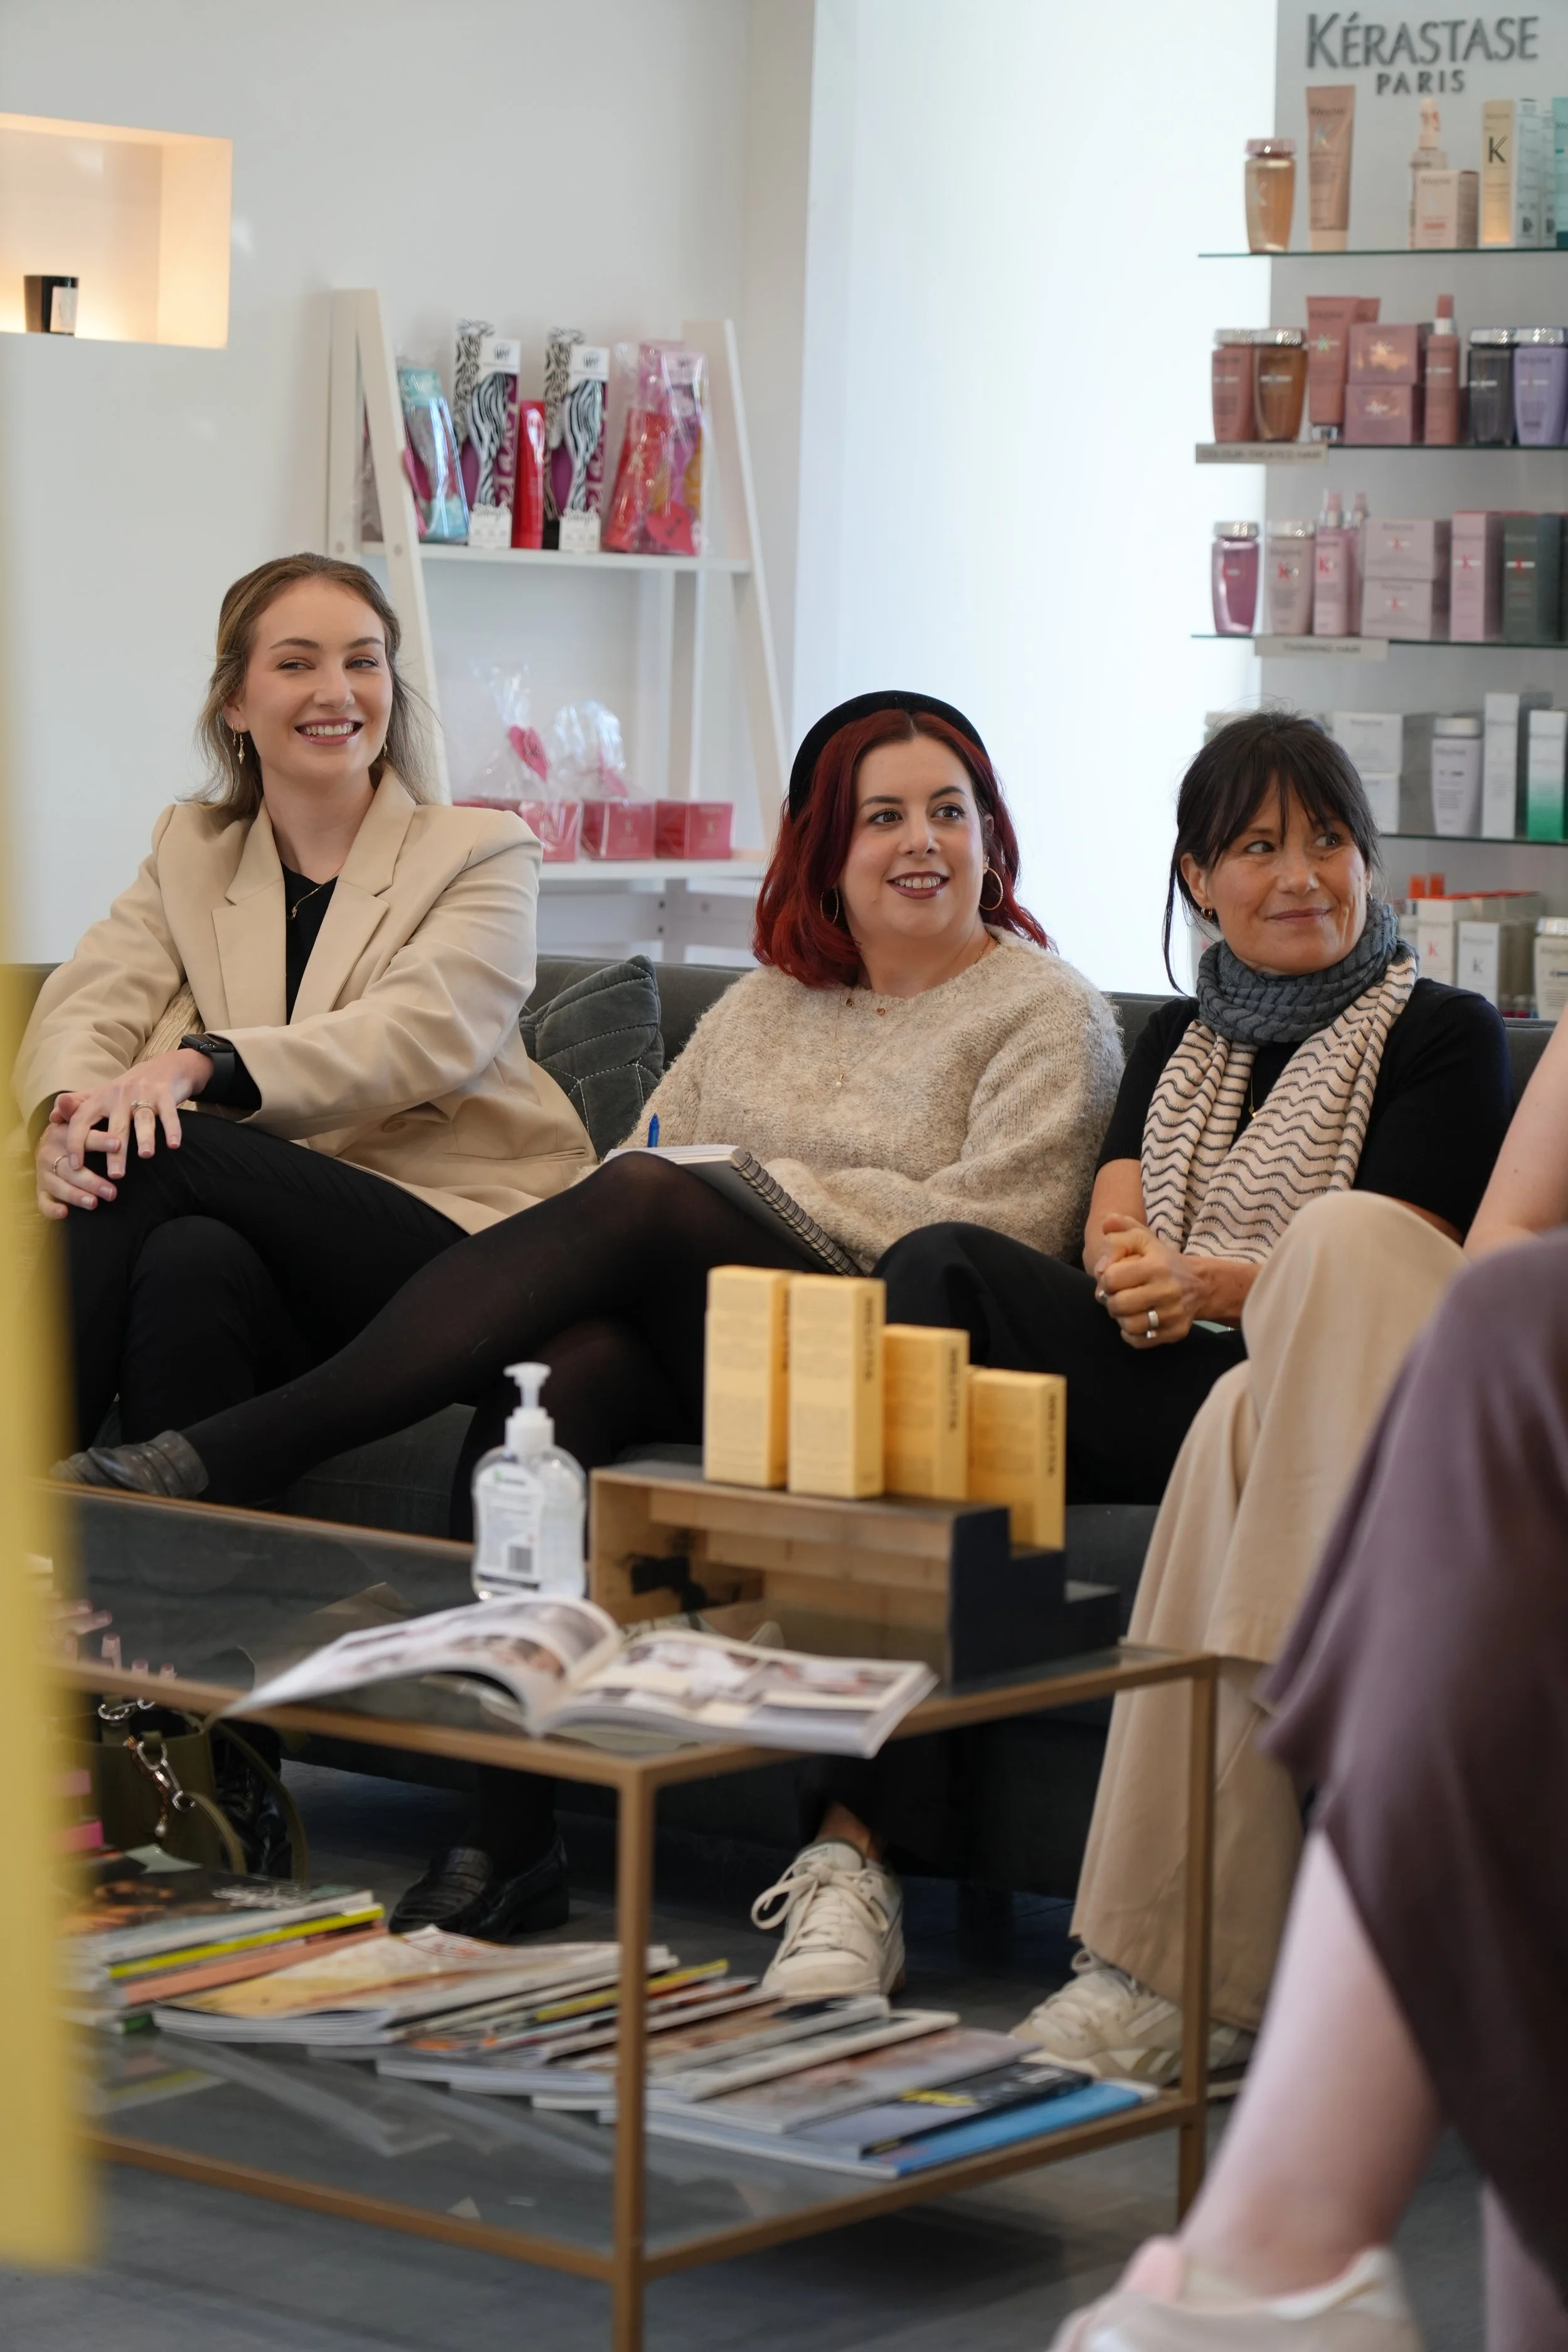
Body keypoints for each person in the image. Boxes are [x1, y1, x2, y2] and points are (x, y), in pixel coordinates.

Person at [66, 688, 1124, 1941]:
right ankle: (507, 1842)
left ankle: (230, 1453)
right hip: (712, 1352)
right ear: (823, 851)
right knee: (556, 1388)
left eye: (948, 812)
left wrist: (753, 1188)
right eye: (881, 816)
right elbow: (647, 1156)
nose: (920, 843)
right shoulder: (762, 1006)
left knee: (640, 1200)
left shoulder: (1046, 1010)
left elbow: (995, 1234)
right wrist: (701, 1187)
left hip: (874, 1358)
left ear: (991, 837)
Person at [807, 711, 1510, 2035]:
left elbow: (1389, 1262)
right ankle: (860, 1842)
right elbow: (1111, 1222)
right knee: (935, 1271)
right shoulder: (1175, 1040)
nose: (1299, 874)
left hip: (1308, 1388)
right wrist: (1139, 1276)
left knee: (1294, 1301)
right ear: (1195, 877)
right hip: (1158, 1370)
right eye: (1256, 846)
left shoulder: (1441, 1033)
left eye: (1326, 841)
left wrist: (1209, 1286)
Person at [1051, 1221, 1568, 2351]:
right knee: (1252, 1401)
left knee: (1351, 1283)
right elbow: (1513, 1230)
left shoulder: (1427, 1035)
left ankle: (1270, 2211)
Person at [19, 551, 593, 1465]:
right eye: (297, 663)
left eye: (363, 661)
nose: (338, 690)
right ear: (235, 705)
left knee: (161, 1144)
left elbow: (416, 1033)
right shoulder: (192, 848)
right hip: (273, 1245)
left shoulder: (482, 850)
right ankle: (190, 1592)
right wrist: (66, 1113)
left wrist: (204, 1064)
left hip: (456, 1244)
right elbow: (89, 1001)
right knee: (187, 1260)